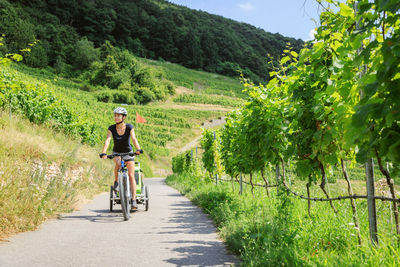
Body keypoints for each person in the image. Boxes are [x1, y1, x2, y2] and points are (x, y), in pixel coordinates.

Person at [99, 107, 142, 209]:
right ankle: (116, 181)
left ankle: (134, 200)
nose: (116, 117)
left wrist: (138, 149)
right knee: (118, 164)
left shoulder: (129, 127)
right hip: (117, 152)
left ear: (124, 117)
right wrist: (104, 152)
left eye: (118, 115)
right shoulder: (111, 128)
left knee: (131, 175)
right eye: (115, 115)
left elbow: (134, 138)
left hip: (128, 152)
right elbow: (108, 140)